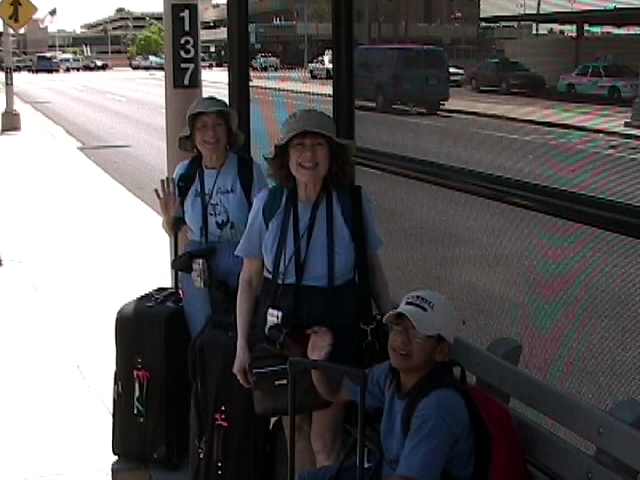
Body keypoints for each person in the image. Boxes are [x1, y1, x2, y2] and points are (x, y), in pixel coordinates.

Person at [232, 109, 393, 474]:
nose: (308, 154)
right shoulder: (269, 205)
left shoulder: (352, 204)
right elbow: (250, 279)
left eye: (318, 145)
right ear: (285, 157)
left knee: (325, 438)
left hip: (337, 330)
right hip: (282, 332)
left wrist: (390, 319)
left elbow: (371, 268)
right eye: (299, 146)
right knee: (296, 430)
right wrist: (242, 344)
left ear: (331, 155)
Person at [303, 289, 475, 480]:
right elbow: (336, 392)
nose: (401, 338)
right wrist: (317, 363)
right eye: (397, 326)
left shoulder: (437, 407)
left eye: (416, 332)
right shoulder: (390, 375)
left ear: (442, 351)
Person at [154, 96, 267, 337]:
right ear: (193, 136)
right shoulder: (185, 173)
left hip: (242, 259)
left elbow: (264, 226)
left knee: (242, 334)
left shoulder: (248, 171)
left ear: (228, 132)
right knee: (204, 335)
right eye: (202, 127)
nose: (211, 134)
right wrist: (169, 217)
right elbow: (173, 228)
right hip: (198, 262)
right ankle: (204, 371)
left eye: (217, 125)